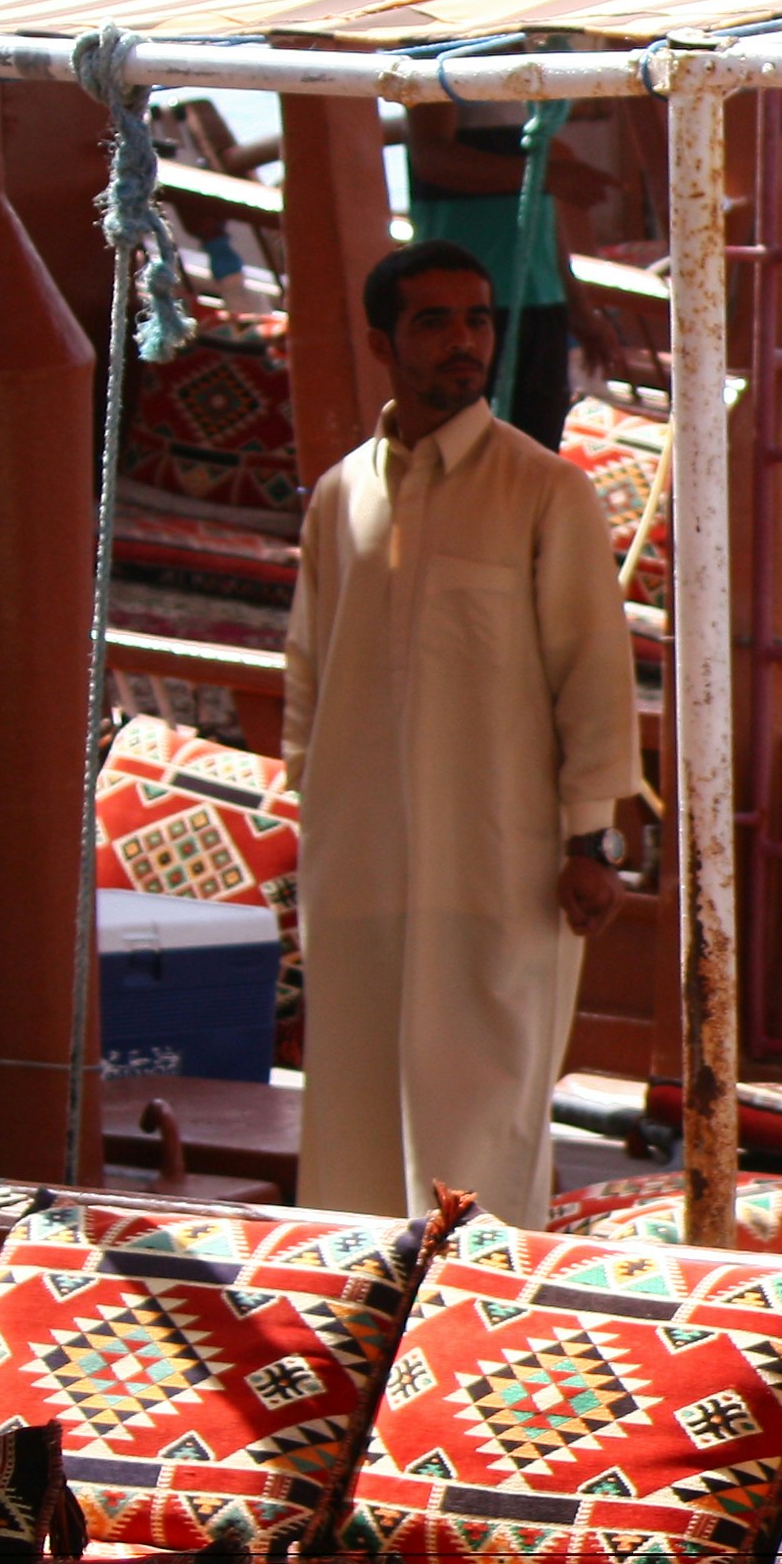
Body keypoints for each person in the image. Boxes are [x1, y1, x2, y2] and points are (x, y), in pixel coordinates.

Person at [285, 239, 645, 1224]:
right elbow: (308, 683)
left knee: (483, 1099)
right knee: (354, 1102)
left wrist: (591, 841)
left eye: (477, 319)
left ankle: (476, 1327)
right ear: (382, 341)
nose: (462, 342)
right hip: (356, 859)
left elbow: (593, 678)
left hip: (500, 858)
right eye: (434, 321)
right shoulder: (338, 498)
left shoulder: (543, 492)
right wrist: (307, 821)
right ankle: (362, 1322)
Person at [402, 97, 609, 453]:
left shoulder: (535, 72)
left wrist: (577, 306)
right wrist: (547, 174)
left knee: (535, 462)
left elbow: (539, 209)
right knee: (459, 461)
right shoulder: (446, 52)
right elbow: (431, 158)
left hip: (540, 298)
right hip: (463, 306)